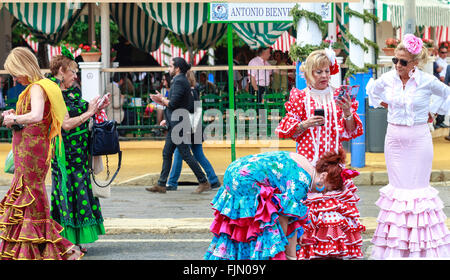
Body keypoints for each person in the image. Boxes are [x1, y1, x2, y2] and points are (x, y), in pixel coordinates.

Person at [366, 34, 450, 259]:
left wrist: (433, 112)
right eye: (395, 60)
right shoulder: (388, 79)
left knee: (418, 194)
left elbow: (447, 94)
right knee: (397, 194)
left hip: (419, 139)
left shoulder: (426, 81)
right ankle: (397, 249)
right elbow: (372, 92)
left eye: (403, 62)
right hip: (393, 139)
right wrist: (386, 104)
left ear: (415, 63)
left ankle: (422, 250)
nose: (398, 66)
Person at [0, 47, 83, 260]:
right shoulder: (40, 87)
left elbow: (36, 115)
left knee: (30, 196)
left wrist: (14, 119)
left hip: (32, 152)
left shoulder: (37, 87)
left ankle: (65, 247)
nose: (15, 79)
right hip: (30, 149)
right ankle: (42, 249)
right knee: (31, 197)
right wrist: (15, 115)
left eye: (15, 73)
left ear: (22, 67)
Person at [204, 149, 345, 260]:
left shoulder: (305, 164)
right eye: (326, 189)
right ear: (324, 176)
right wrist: (284, 252)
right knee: (266, 231)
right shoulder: (302, 182)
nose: (323, 193)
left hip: (234, 171)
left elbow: (289, 215)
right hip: (245, 180)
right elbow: (285, 218)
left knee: (244, 228)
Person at [48, 48, 110, 254]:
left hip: (79, 154)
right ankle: (68, 241)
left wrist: (97, 108)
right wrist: (90, 112)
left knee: (80, 193)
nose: (75, 76)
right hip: (65, 154)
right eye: (73, 71)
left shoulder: (71, 92)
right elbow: (66, 124)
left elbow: (83, 112)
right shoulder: (54, 92)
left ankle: (77, 241)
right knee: (68, 193)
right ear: (62, 70)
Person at [276, 48, 364, 166]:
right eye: (319, 72)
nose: (324, 76)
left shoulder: (338, 95)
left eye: (327, 71)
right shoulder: (300, 97)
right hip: (308, 160)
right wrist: (305, 124)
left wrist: (347, 112)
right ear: (309, 73)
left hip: (333, 159)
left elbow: (351, 130)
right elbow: (290, 132)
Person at [147, 57, 210, 194]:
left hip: (179, 124)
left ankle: (204, 181)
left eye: (170, 66)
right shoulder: (179, 81)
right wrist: (163, 100)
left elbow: (173, 104)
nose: (169, 68)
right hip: (176, 124)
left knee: (186, 154)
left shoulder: (179, 82)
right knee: (167, 153)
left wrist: (161, 99)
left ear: (177, 68)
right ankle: (162, 184)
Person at [297, 148, 365, 259]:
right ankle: (313, 251)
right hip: (312, 172)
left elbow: (351, 132)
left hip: (333, 171)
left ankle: (334, 251)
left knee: (334, 219)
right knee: (311, 217)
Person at [166, 70, 220, 191]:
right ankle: (213, 180)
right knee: (199, 155)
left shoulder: (188, 92)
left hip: (188, 128)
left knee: (179, 154)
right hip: (195, 128)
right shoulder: (194, 91)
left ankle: (172, 182)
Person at [432, 44, 449, 128]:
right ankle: (438, 122)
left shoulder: (445, 61)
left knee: (444, 105)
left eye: (446, 52)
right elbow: (441, 76)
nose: (444, 54)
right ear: (439, 53)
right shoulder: (437, 61)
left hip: (445, 85)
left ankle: (440, 121)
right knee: (439, 104)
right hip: (441, 85)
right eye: (442, 52)